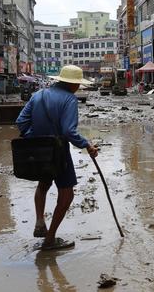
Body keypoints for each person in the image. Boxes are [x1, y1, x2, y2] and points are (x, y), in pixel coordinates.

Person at [16, 65, 99, 250]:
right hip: (59, 151)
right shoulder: (69, 99)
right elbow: (68, 131)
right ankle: (50, 239)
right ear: (73, 85)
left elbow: (20, 122)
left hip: (39, 151)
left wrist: (36, 137)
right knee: (67, 194)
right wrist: (87, 145)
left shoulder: (38, 95)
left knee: (43, 184)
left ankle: (39, 221)